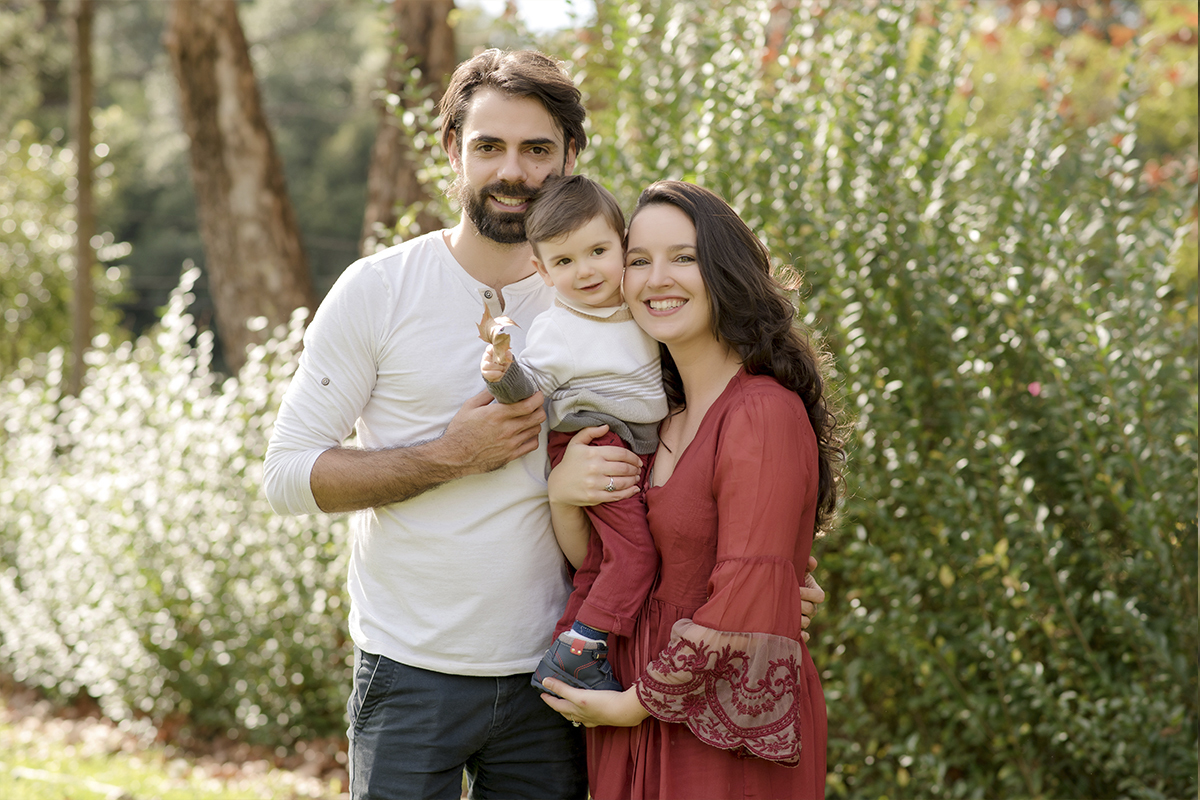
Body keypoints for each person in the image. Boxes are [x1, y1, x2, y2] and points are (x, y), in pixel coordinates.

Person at [264, 47, 825, 800]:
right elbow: (287, 476)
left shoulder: (618, 288)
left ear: (570, 156)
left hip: (566, 678)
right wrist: (448, 456)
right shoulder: (378, 290)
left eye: (536, 149)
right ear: (453, 151)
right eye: (488, 146)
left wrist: (772, 587)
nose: (513, 171)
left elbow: (711, 450)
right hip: (413, 672)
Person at [538, 180, 844, 800]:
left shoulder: (761, 412)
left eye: (683, 257)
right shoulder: (656, 419)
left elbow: (746, 591)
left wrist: (633, 705)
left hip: (711, 722)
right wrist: (563, 497)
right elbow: (614, 564)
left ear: (725, 270)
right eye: (638, 260)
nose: (657, 279)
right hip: (629, 707)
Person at [480, 174, 666, 696]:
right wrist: (502, 371)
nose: (585, 271)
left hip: (632, 442)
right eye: (564, 261)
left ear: (623, 245)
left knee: (604, 562)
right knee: (637, 557)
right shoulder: (559, 328)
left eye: (598, 252)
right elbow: (529, 390)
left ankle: (564, 652)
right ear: (542, 271)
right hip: (595, 442)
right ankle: (581, 649)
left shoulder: (638, 305)